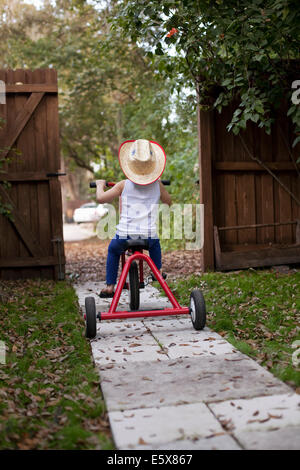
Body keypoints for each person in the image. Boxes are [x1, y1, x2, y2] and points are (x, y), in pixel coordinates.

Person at [95, 139, 172, 297]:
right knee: (155, 245)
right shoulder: (158, 185)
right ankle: (158, 271)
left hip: (125, 235)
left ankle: (110, 287)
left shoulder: (123, 185)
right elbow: (168, 202)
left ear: (130, 166)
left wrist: (99, 185)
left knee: (113, 250)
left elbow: (101, 199)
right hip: (148, 236)